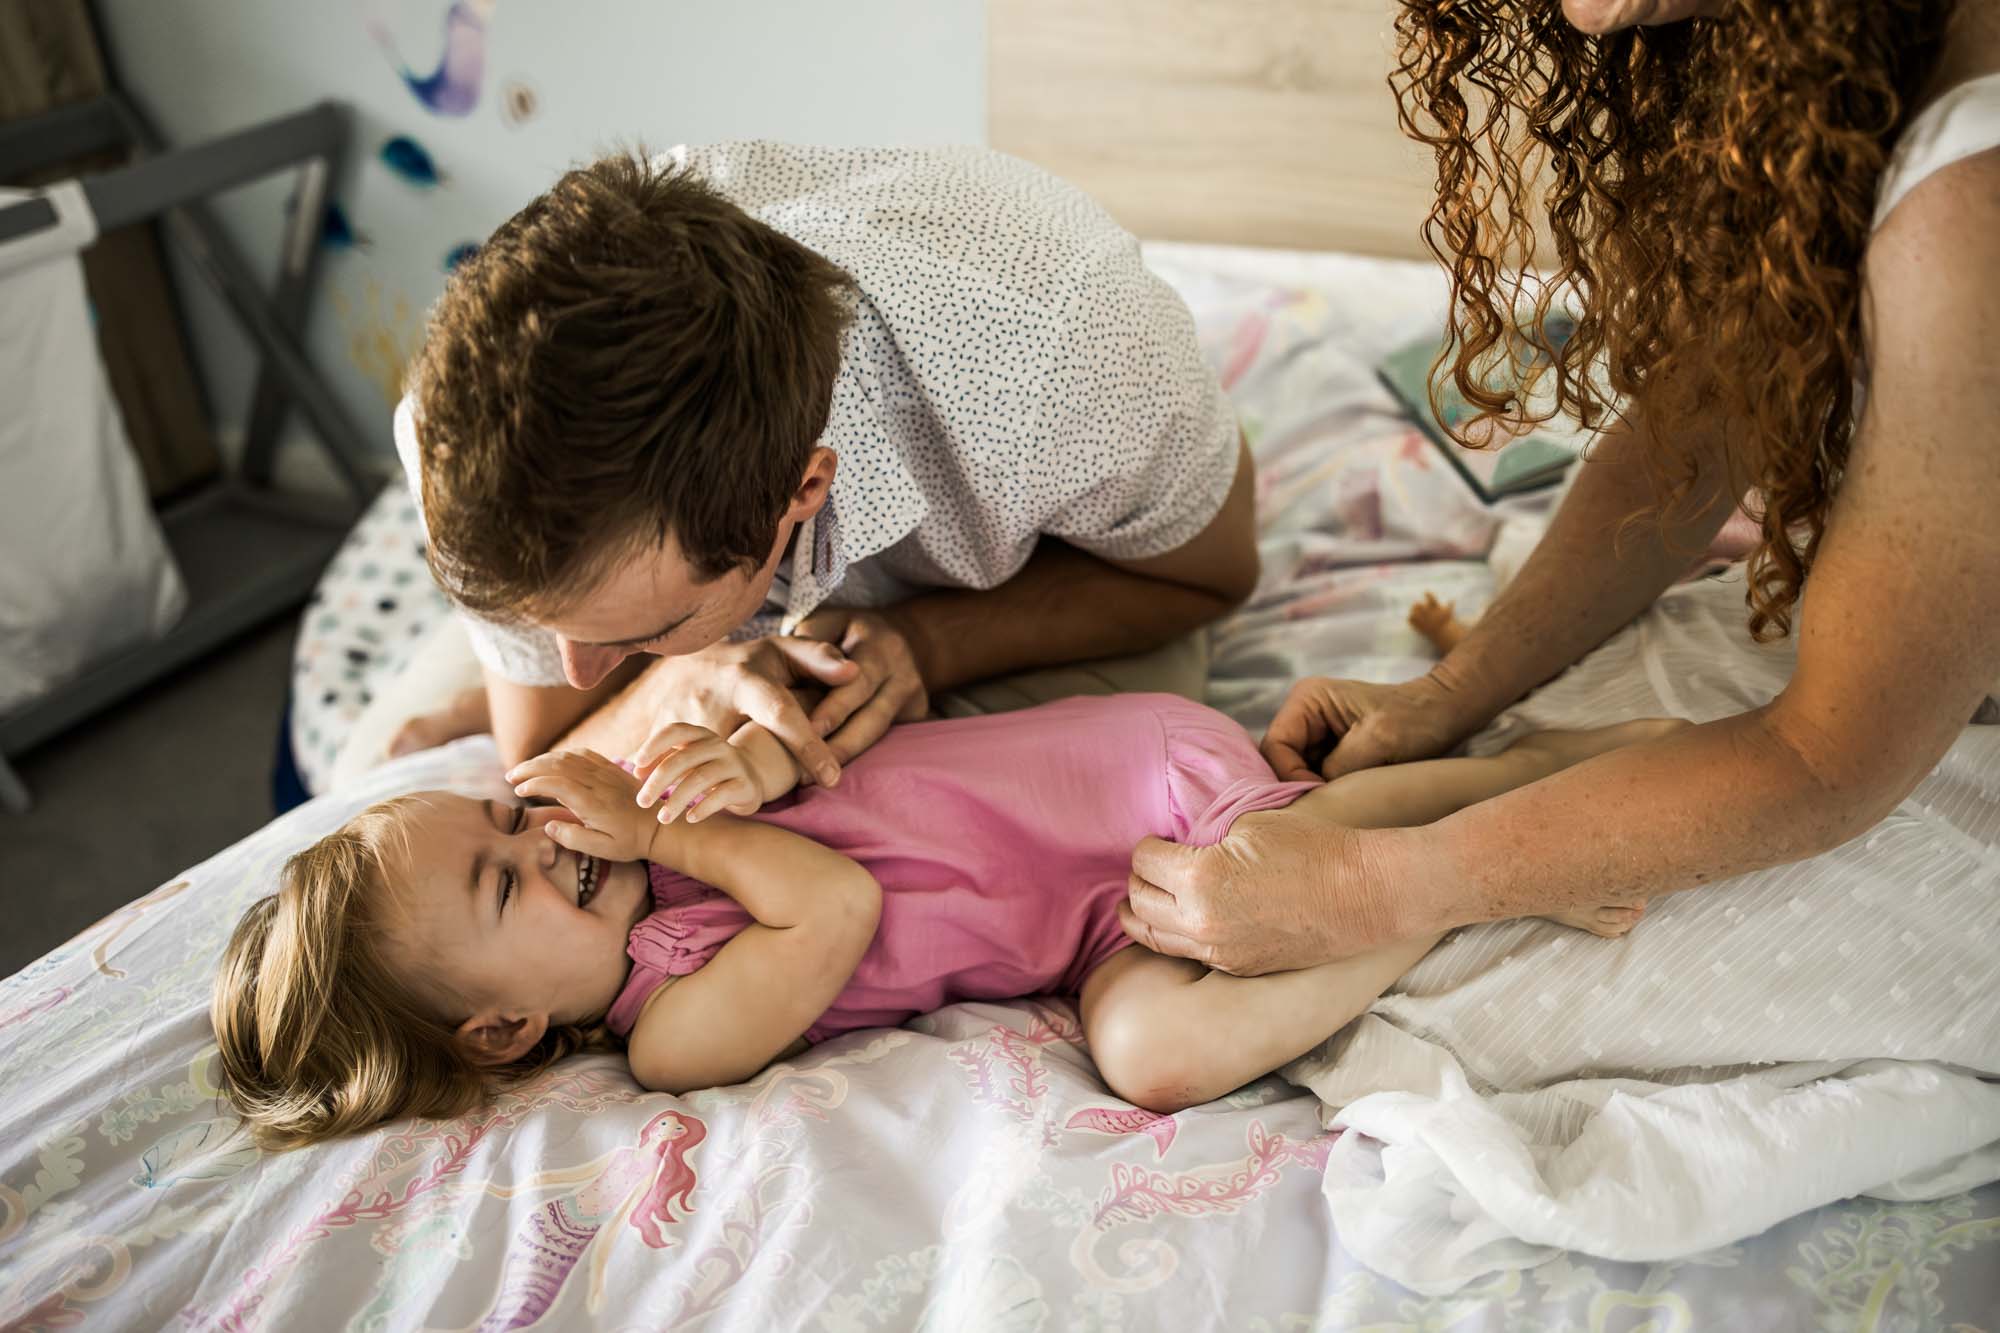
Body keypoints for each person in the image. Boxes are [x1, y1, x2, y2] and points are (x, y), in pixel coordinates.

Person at [1121, 0, 2000, 975]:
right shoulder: (1828, 72)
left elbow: (1828, 760)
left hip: (1873, 754)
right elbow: (1706, 413)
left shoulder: (1967, 211)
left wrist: (1367, 889)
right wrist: (1450, 691)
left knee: (1442, 978)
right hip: (1885, 701)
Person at [209, 694, 1679, 1147]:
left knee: (1302, 854)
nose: (544, 841)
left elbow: (794, 725)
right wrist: (664, 837)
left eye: (505, 815)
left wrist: (716, 769)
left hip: (1121, 797)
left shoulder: (660, 807)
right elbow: (833, 907)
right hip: (1103, 917)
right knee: (1152, 1055)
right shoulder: (670, 1032)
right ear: (504, 1028)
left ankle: (1521, 797)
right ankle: (1468, 871)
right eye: (502, 882)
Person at [386, 143, 1260, 785]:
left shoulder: (1077, 353)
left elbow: (1207, 579)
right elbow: (539, 760)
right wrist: (673, 680)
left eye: (638, 636)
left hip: (1033, 565)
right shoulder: (452, 427)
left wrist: (930, 645)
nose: (577, 666)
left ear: (802, 489)